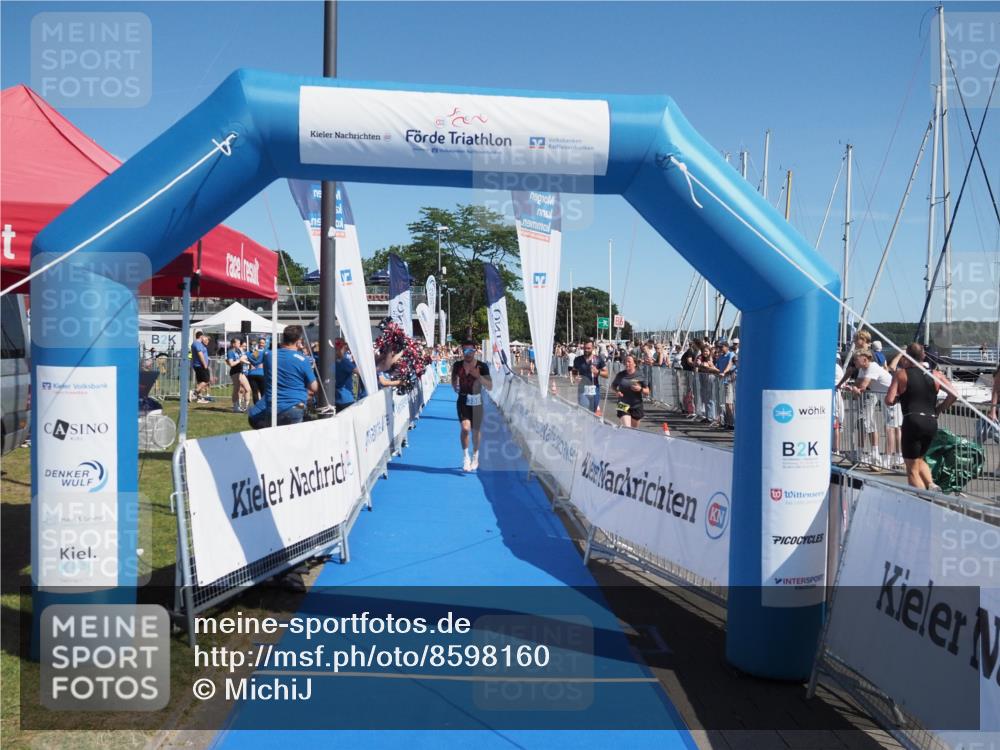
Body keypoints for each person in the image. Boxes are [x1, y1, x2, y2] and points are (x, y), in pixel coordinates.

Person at [886, 342, 957, 490]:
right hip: (931, 420)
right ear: (923, 355)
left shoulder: (902, 374)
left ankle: (923, 499)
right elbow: (954, 395)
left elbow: (889, 400)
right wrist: (939, 409)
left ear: (906, 357)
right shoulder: (936, 374)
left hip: (913, 420)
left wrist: (901, 398)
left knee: (911, 468)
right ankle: (931, 485)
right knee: (919, 458)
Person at [247, 325, 318, 429]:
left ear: (283, 338)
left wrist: (260, 348)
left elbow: (251, 357)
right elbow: (314, 387)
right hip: (295, 406)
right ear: (299, 341)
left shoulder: (268, 354)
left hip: (273, 407)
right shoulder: (303, 360)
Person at [851, 348, 901, 468]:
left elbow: (863, 386)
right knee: (890, 427)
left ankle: (888, 460)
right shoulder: (863, 369)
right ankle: (892, 457)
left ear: (864, 359)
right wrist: (854, 387)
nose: (854, 362)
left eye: (856, 360)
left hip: (893, 397)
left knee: (890, 427)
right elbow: (858, 383)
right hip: (883, 397)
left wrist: (855, 389)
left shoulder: (872, 367)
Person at [451, 339, 492, 471]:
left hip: (477, 402)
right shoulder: (457, 365)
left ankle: (475, 455)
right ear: (462, 351)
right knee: (465, 428)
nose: (467, 353)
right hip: (463, 400)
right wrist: (455, 386)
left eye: (470, 350)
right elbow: (453, 378)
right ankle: (466, 457)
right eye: (465, 350)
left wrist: (478, 377)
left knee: (476, 432)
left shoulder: (482, 366)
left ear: (475, 351)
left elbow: (490, 386)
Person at [571, 338, 608, 414]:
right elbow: (574, 371)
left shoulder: (598, 359)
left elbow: (607, 374)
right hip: (583, 389)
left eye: (588, 348)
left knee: (593, 412)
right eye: (585, 348)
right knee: (584, 411)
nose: (586, 350)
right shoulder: (578, 359)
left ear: (593, 348)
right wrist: (575, 377)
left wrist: (597, 372)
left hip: (594, 389)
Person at [611, 355, 649, 428]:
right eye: (625, 362)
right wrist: (617, 391)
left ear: (635, 364)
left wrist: (640, 389)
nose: (627, 363)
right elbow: (613, 386)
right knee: (627, 428)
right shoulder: (620, 375)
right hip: (623, 404)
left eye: (629, 362)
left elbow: (647, 391)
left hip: (636, 405)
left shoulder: (640, 375)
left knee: (634, 431)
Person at [226, 337, 252, 413]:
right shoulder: (230, 352)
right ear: (233, 344)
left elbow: (245, 358)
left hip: (241, 372)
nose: (239, 344)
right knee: (236, 389)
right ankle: (235, 407)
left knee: (247, 389)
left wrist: (249, 362)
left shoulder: (238, 351)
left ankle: (245, 407)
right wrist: (240, 360)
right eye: (238, 343)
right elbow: (231, 364)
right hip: (235, 372)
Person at [334, 339, 359, 410]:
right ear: (344, 347)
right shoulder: (344, 361)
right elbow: (358, 372)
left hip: (336, 397)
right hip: (346, 398)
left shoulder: (333, 360)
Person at [190, 331, 212, 403]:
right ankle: (194, 393)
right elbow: (200, 354)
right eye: (204, 337)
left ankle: (199, 398)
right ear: (201, 336)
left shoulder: (198, 344)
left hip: (199, 365)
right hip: (200, 365)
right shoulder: (197, 343)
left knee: (200, 381)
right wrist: (205, 364)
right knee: (206, 381)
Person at [246, 337, 267, 405]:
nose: (261, 344)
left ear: (265, 344)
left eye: (263, 343)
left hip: (256, 373)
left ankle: (258, 407)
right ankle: (260, 407)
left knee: (257, 392)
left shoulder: (256, 352)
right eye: (260, 343)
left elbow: (253, 360)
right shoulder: (261, 352)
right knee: (260, 392)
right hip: (259, 374)